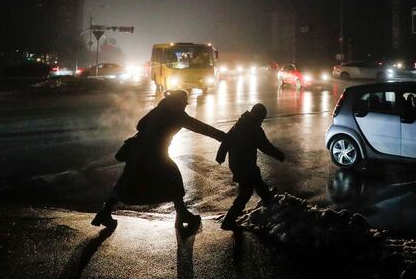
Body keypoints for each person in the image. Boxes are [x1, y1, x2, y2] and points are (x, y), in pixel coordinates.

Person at [91, 89, 225, 230]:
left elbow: (140, 125)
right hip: (155, 155)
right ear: (180, 103)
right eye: (184, 104)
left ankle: (104, 213)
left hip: (136, 152)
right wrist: (224, 137)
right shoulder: (177, 114)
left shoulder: (160, 109)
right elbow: (200, 127)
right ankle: (182, 213)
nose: (185, 106)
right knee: (174, 179)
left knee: (125, 183)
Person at [216, 103, 285, 230]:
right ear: (259, 116)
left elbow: (227, 139)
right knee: (245, 193)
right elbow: (265, 146)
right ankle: (228, 221)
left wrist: (220, 156)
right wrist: (280, 155)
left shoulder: (241, 123)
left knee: (256, 179)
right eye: (262, 118)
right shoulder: (254, 129)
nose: (262, 120)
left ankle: (267, 198)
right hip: (244, 165)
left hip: (237, 163)